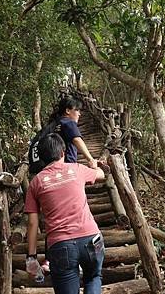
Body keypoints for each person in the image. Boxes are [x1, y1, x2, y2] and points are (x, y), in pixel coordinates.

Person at [24, 133, 106, 294]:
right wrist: (94, 165)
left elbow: (32, 223)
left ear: (41, 158)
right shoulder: (76, 168)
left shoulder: (35, 183)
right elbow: (102, 175)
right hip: (92, 239)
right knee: (94, 277)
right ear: (63, 153)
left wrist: (31, 258)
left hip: (60, 247)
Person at [50, 95, 98, 169]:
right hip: (68, 165)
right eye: (77, 110)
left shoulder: (54, 123)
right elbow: (77, 140)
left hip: (54, 165)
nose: (79, 114)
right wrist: (90, 159)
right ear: (68, 111)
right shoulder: (69, 122)